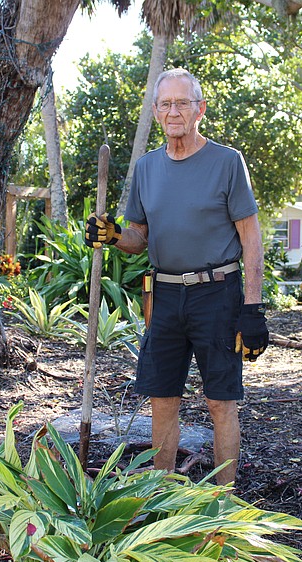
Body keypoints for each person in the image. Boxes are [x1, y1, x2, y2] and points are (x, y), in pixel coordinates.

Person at [83, 67, 268, 485]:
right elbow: (139, 238)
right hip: (163, 297)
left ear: (199, 109)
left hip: (217, 294)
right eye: (165, 104)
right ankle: (163, 496)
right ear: (155, 111)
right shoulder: (146, 168)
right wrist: (113, 234)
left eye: (182, 102)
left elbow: (252, 241)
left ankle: (224, 503)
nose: (173, 111)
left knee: (221, 401)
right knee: (162, 399)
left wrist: (253, 309)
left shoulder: (226, 162)